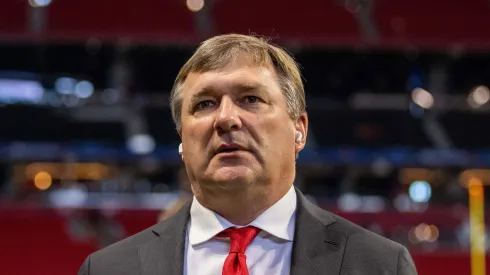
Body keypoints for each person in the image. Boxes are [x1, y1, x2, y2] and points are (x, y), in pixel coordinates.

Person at [78, 34, 417, 275]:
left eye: (251, 98)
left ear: (299, 129)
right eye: (205, 104)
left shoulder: (380, 266)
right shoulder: (108, 269)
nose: (226, 118)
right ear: (182, 139)